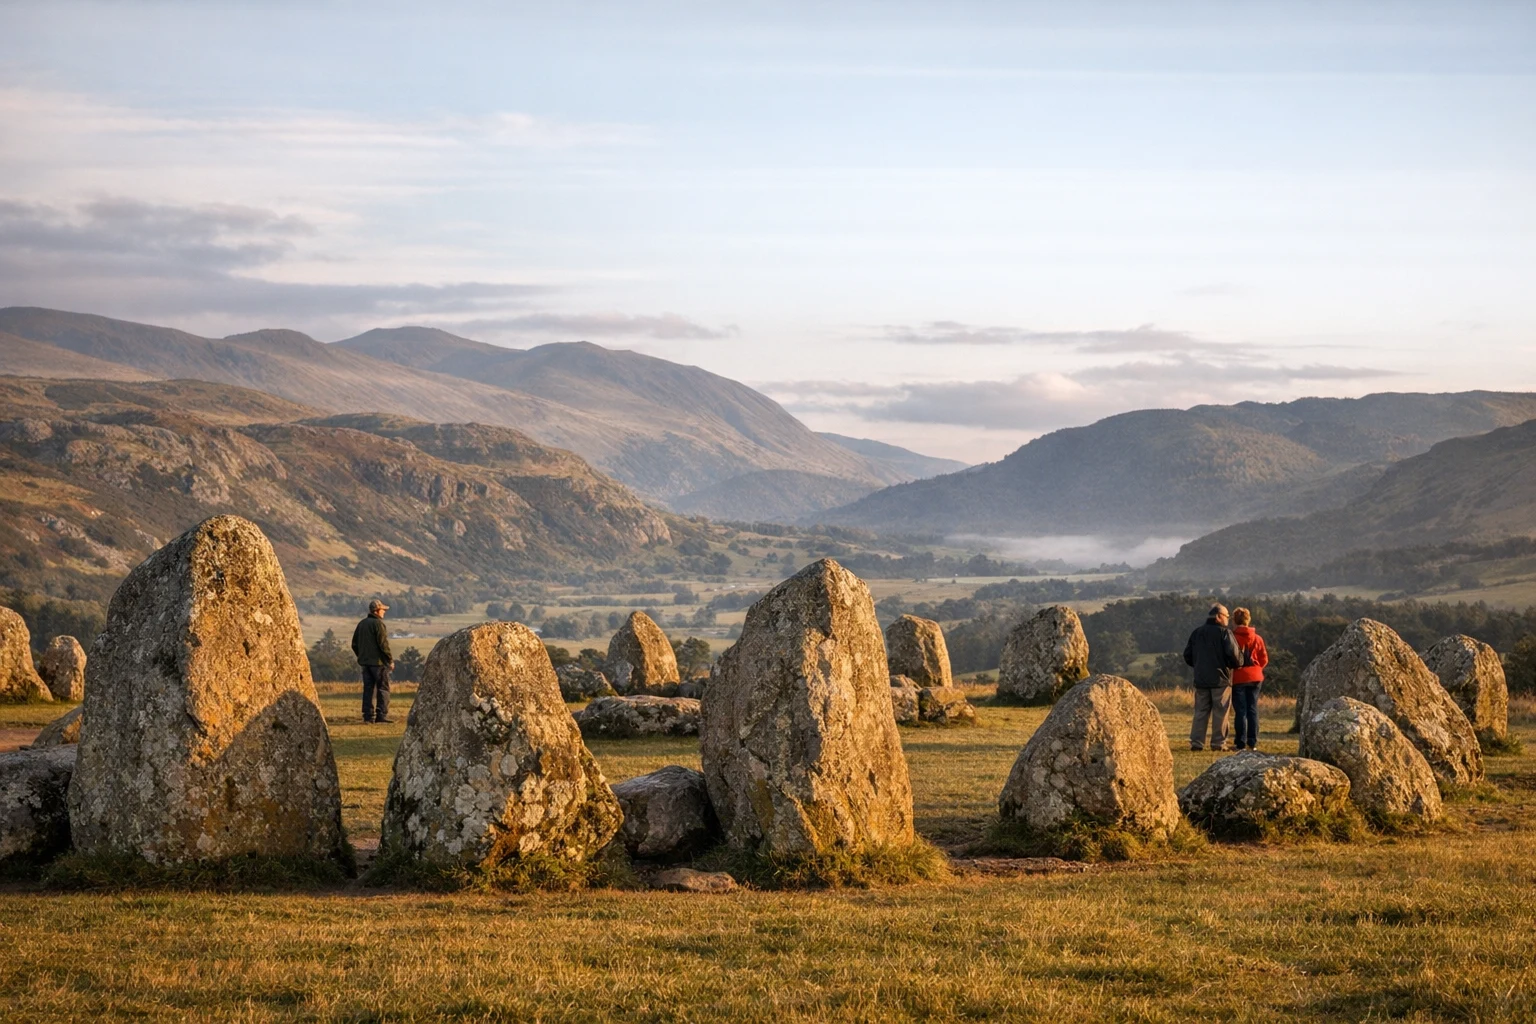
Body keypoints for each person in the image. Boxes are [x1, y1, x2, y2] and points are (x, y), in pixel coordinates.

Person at [1183, 602, 1242, 751]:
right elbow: (1235, 656)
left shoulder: (1197, 633)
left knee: (1200, 712)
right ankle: (1218, 743)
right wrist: (1233, 665)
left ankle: (1196, 743)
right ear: (1219, 617)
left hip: (1201, 679)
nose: (1228, 619)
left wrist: (1199, 666)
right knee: (1220, 712)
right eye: (1226, 616)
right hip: (1221, 679)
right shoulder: (1224, 633)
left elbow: (1187, 655)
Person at [1229, 607, 1269, 750]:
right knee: (1252, 709)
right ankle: (1252, 742)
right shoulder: (1258, 638)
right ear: (1248, 620)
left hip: (1239, 677)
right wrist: (1257, 669)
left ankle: (1240, 742)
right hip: (1256, 676)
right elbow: (1264, 659)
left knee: (1241, 710)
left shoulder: (1232, 637)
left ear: (1234, 620)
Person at [352, 598, 394, 724]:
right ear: (377, 611)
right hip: (378, 663)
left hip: (365, 663)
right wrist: (389, 660)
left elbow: (354, 644)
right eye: (383, 610)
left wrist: (362, 656)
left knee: (368, 689)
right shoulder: (378, 624)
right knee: (383, 688)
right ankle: (381, 715)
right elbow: (383, 644)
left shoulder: (361, 624)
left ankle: (368, 716)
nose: (384, 612)